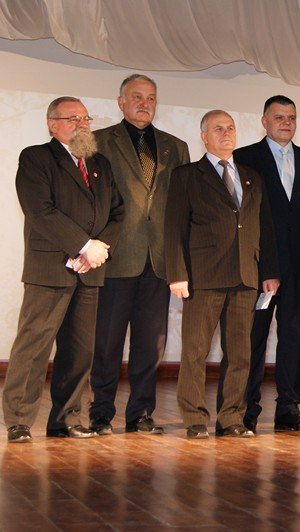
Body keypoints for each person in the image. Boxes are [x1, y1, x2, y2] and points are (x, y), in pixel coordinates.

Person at [4, 97, 124, 442]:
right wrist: (84, 246)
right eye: (73, 119)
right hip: (50, 269)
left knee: (79, 350)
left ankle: (66, 419)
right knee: (34, 347)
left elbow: (118, 212)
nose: (82, 124)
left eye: (85, 118)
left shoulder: (100, 163)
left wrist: (98, 250)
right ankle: (18, 420)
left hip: (90, 270)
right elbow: (40, 210)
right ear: (52, 124)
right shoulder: (36, 158)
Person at [164, 110, 280, 439]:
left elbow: (264, 227)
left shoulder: (251, 176)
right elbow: (174, 228)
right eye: (218, 129)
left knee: (240, 354)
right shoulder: (187, 175)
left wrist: (269, 271)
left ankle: (231, 418)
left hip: (246, 277)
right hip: (203, 278)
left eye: (230, 128)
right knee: (195, 352)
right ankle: (194, 418)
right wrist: (177, 274)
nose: (226, 133)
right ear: (204, 136)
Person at [89, 74, 190, 436]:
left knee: (151, 344)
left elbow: (181, 208)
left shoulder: (176, 147)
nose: (144, 103)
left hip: (158, 261)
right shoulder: (99, 142)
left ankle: (141, 413)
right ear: (121, 102)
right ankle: (100, 413)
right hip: (115, 257)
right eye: (137, 96)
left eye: (150, 98)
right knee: (107, 343)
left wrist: (180, 262)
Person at [235, 95, 300, 433]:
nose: (286, 123)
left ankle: (289, 407)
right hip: (259, 267)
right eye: (279, 117)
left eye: (291, 117)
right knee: (253, 338)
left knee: (292, 336)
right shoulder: (244, 158)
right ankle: (246, 408)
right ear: (264, 121)